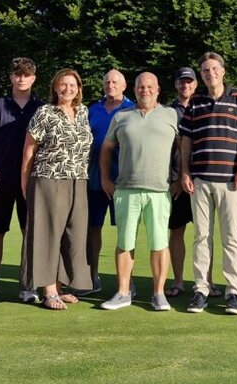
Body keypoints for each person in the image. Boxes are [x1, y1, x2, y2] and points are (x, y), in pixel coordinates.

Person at [179, 52, 237, 315]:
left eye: (214, 68)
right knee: (202, 237)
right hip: (200, 179)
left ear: (222, 71)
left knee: (231, 238)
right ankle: (201, 289)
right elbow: (186, 139)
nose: (209, 73)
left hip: (230, 181)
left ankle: (233, 292)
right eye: (205, 70)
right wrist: (185, 172)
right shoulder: (195, 103)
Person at [98, 72, 179, 311]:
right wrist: (105, 178)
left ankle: (158, 294)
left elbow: (182, 149)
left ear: (158, 89)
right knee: (124, 242)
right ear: (134, 90)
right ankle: (123, 293)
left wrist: (178, 177)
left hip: (159, 191)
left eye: (149, 86)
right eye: (140, 86)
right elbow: (106, 149)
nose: (145, 90)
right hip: (126, 189)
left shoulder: (171, 114)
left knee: (159, 243)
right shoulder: (122, 116)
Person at [22, 69, 95, 310]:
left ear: (78, 88)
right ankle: (48, 289)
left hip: (78, 179)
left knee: (72, 234)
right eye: (63, 85)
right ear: (55, 87)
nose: (67, 89)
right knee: (48, 234)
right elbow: (29, 151)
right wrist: (25, 186)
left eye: (72, 85)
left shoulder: (83, 112)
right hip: (48, 179)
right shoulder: (45, 112)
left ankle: (61, 285)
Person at [0, 57, 45, 306]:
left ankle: (29, 285)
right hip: (2, 179)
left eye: (26, 74)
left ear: (33, 78)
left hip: (32, 180)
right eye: (17, 74)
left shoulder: (42, 107)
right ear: (11, 77)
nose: (21, 78)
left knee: (30, 233)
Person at [84, 69, 135, 292]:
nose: (110, 85)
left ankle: (126, 281)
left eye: (115, 82)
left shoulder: (132, 109)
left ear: (124, 86)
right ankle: (91, 277)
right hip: (94, 180)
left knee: (126, 232)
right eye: (106, 82)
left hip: (123, 181)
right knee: (92, 229)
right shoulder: (92, 110)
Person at [165, 67, 197, 297]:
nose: (185, 85)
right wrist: (175, 178)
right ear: (176, 85)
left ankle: (206, 282)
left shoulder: (205, 106)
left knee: (205, 234)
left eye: (189, 82)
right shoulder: (166, 111)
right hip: (177, 181)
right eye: (181, 82)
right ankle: (177, 280)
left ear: (195, 85)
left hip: (205, 179)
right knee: (177, 231)